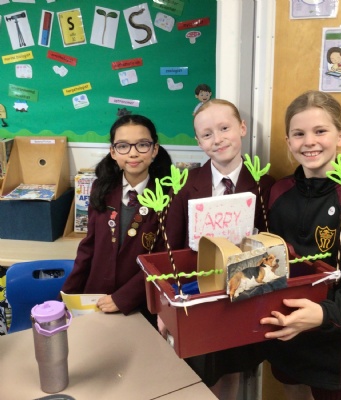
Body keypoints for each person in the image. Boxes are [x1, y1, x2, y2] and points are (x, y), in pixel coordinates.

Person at [259, 90, 341, 400]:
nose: (309, 142)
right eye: (299, 134)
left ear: (340, 136)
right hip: (286, 337)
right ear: (288, 141)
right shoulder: (278, 191)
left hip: (336, 349)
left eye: (320, 131)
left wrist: (323, 314)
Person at [164, 99, 275, 399]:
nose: (218, 139)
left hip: (244, 296)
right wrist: (167, 307)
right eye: (207, 134)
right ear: (198, 141)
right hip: (198, 295)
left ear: (242, 128)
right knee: (198, 371)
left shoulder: (264, 184)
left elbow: (271, 244)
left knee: (233, 369)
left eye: (225, 128)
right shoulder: (185, 185)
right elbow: (171, 247)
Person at [62, 114, 172, 324]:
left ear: (154, 149)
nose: (133, 153)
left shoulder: (168, 195)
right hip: (96, 298)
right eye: (123, 146)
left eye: (142, 145)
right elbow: (89, 247)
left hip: (141, 304)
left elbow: (164, 259)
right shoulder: (102, 189)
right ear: (113, 152)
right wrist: (67, 295)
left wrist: (123, 298)